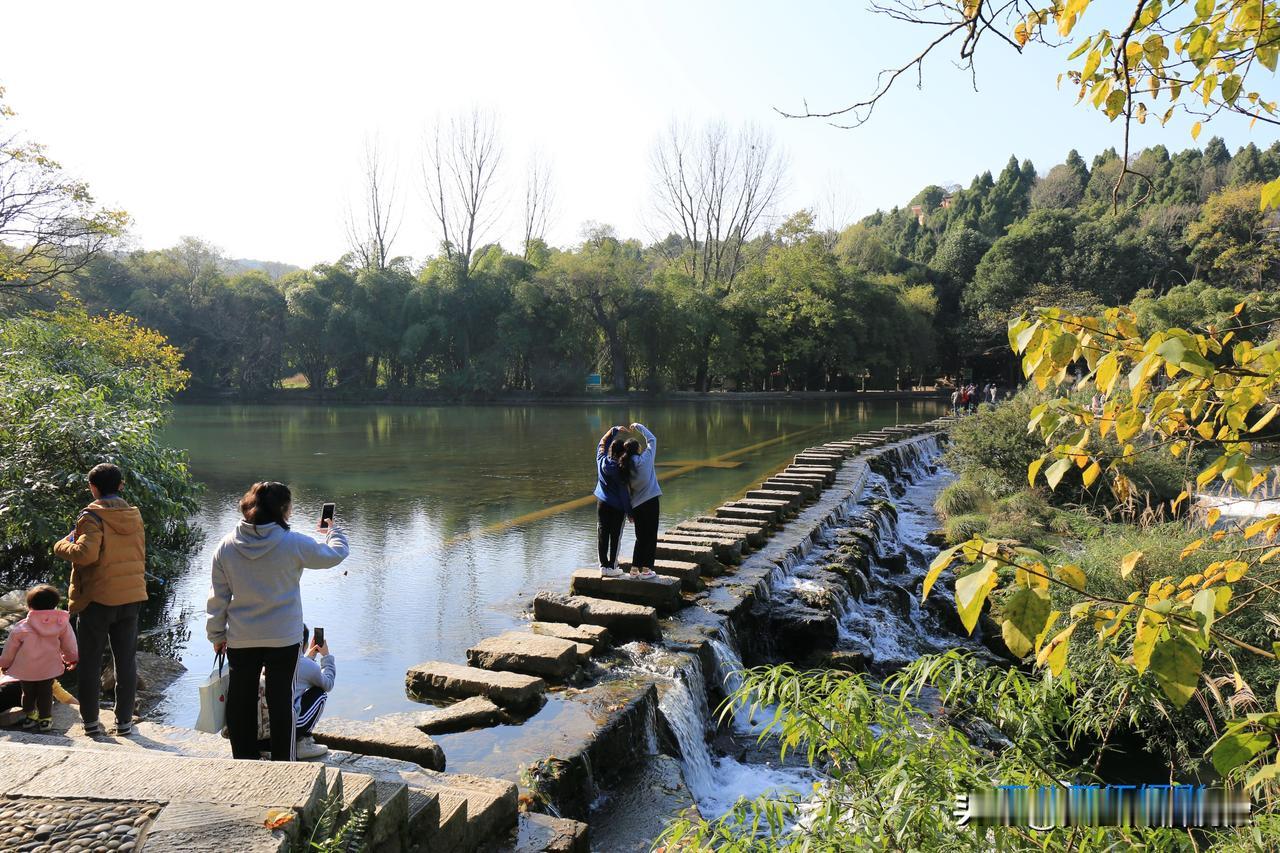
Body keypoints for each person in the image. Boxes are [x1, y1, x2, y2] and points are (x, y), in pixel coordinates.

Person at [206, 481, 349, 761]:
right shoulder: (292, 542)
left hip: (241, 636)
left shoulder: (226, 545)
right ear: (283, 509)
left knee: (241, 700)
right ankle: (284, 764)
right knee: (281, 700)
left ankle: (245, 761)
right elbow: (335, 554)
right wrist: (334, 530)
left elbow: (217, 599)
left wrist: (216, 636)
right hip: (283, 637)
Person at [52, 462, 146, 737]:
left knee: (91, 663)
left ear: (93, 488)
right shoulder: (134, 515)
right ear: (121, 486)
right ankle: (124, 722)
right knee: (126, 662)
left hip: (97, 599)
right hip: (130, 596)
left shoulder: (91, 517)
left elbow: (85, 555)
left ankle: (91, 723)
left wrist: (62, 544)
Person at [0, 585, 79, 732]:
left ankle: (31, 715)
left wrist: (5, 664)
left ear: (29, 606)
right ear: (54, 604)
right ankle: (45, 719)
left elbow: (10, 649)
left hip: (26, 670)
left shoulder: (21, 627)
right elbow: (69, 645)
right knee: (46, 693)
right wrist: (71, 659)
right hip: (49, 668)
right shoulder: (61, 624)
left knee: (27, 693)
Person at [594, 426, 633, 578]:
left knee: (602, 533)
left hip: (602, 504)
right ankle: (613, 566)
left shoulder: (601, 459)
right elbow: (624, 495)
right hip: (617, 507)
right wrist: (630, 513)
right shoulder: (621, 470)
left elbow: (602, 443)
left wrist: (614, 430)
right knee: (615, 536)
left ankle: (603, 567)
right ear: (622, 453)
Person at [292, 625, 336, 759]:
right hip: (289, 725)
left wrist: (308, 656)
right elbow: (328, 684)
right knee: (320, 693)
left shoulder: (269, 659)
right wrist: (326, 656)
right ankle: (302, 742)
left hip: (264, 726)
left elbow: (299, 671)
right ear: (303, 644)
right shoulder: (305, 665)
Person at [626, 422, 661, 580]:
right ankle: (646, 570)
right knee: (651, 535)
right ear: (638, 449)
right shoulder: (646, 458)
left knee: (640, 537)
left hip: (636, 506)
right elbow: (652, 439)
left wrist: (629, 511)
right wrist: (638, 426)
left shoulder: (624, 467)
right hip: (651, 502)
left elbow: (626, 492)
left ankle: (634, 570)